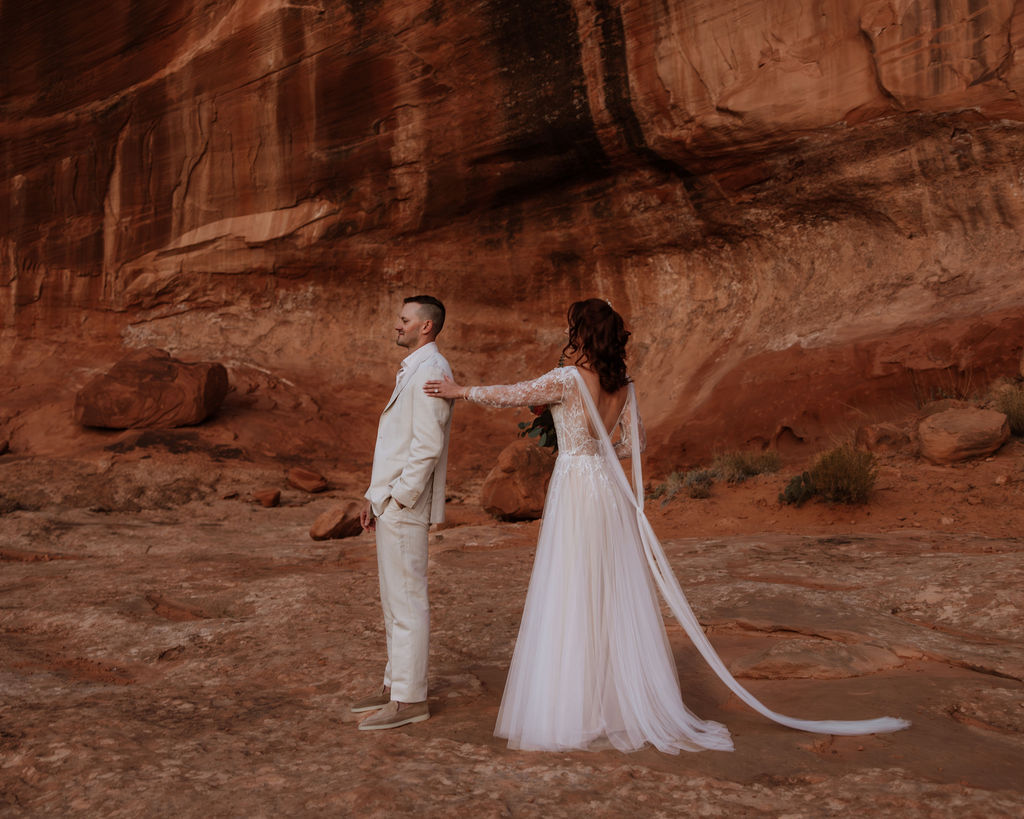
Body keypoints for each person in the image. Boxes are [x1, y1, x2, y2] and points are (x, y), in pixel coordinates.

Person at [425, 298, 909, 753]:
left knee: (572, 584)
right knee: (609, 587)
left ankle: (572, 704)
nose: (569, 335)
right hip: (606, 489)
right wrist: (596, 454)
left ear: (583, 335)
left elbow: (514, 395)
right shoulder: (624, 387)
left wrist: (460, 390)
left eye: (574, 329)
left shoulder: (569, 378)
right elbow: (637, 442)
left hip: (575, 486)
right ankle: (614, 698)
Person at [354, 295, 454, 731]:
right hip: (389, 501)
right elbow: (397, 443)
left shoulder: (432, 371)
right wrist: (375, 497)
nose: (397, 326)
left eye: (404, 320)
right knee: (395, 599)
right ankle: (396, 684)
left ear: (425, 327)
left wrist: (399, 497)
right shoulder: (415, 368)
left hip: (404, 504)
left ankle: (410, 699)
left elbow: (427, 444)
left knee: (408, 600)